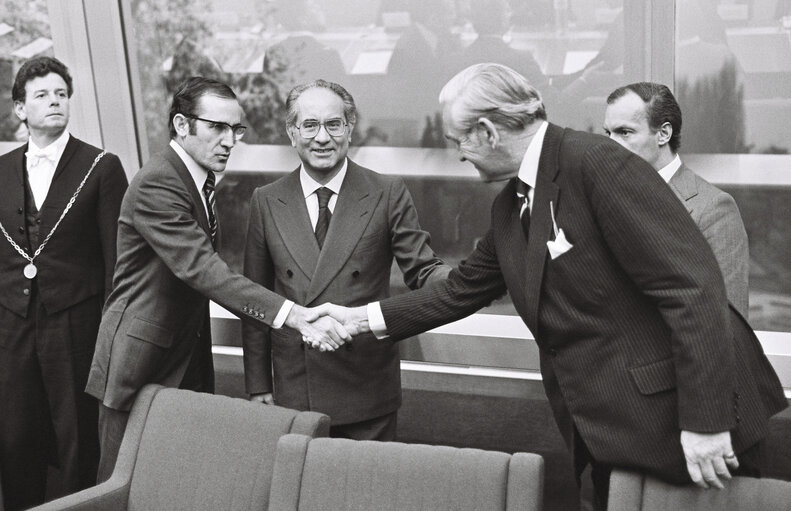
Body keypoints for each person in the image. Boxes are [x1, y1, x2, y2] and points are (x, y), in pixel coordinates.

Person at [317, 63, 787, 510]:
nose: (458, 153)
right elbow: (460, 290)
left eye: (459, 140)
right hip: (615, 432)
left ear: (487, 131)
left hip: (692, 428)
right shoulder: (510, 206)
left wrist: (705, 422)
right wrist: (359, 318)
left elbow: (692, 288)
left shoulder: (598, 162)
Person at [85, 76, 350, 481]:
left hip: (183, 360)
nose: (230, 140)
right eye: (217, 128)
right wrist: (294, 315)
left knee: (173, 487)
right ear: (181, 125)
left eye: (236, 129)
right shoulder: (159, 181)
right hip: (139, 364)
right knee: (118, 489)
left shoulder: (198, 179)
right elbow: (204, 270)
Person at [242, 79, 450, 441]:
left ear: (349, 129)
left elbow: (423, 269)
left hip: (366, 389)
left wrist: (467, 283)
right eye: (309, 125)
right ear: (292, 133)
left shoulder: (387, 192)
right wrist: (259, 383)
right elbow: (256, 299)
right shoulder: (266, 200)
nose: (322, 137)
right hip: (295, 391)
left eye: (333, 124)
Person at [0, 56, 127, 511]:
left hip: (76, 324)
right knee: (13, 436)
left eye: (60, 94)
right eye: (41, 95)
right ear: (20, 109)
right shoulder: (0, 170)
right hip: (10, 327)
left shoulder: (101, 166)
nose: (54, 102)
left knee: (77, 436)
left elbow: (119, 263)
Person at [604, 82, 749, 317]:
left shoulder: (714, 210)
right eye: (608, 133)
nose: (610, 144)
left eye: (624, 132)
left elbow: (729, 323)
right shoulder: (604, 200)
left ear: (663, 134)